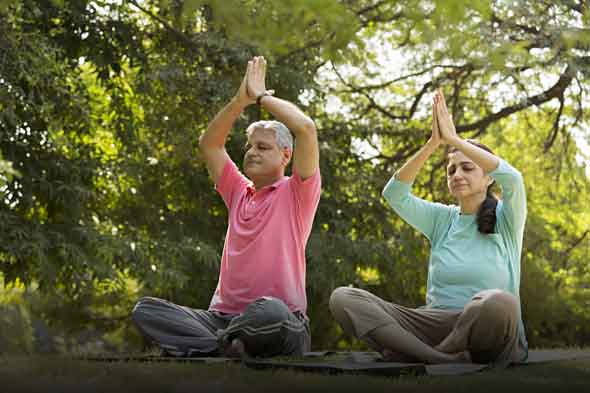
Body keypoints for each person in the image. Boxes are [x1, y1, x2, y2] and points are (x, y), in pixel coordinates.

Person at [132, 56, 321, 358]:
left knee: (270, 311)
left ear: (286, 156)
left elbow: (306, 129)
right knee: (146, 310)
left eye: (263, 147)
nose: (252, 152)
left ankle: (216, 345)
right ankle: (227, 345)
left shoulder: (297, 192)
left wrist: (261, 96)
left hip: (281, 321)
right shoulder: (238, 191)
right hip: (221, 319)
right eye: (249, 146)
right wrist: (239, 100)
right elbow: (209, 144)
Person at [330, 89, 528, 366]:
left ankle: (433, 352)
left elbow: (514, 179)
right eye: (451, 170)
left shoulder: (506, 218)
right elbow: (394, 194)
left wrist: (455, 139)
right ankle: (435, 356)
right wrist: (434, 143)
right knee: (343, 298)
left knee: (499, 302)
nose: (457, 174)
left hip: (486, 326)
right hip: (432, 323)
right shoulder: (441, 218)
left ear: (488, 179)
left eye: (467, 168)